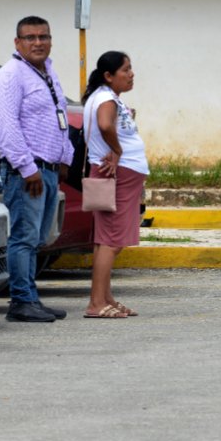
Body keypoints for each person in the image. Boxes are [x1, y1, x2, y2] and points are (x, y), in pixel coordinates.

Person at [0, 16, 75, 322]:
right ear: (17, 43)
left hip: (48, 169)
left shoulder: (46, 72)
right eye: (30, 37)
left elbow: (60, 116)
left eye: (43, 36)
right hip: (28, 172)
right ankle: (20, 302)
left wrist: (64, 158)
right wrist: (27, 168)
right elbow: (7, 127)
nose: (38, 42)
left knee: (37, 238)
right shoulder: (10, 77)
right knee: (23, 237)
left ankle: (31, 298)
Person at [80, 51, 149, 318]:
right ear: (109, 76)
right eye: (126, 70)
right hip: (118, 173)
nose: (131, 74)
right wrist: (118, 150)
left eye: (131, 69)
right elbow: (105, 125)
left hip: (120, 173)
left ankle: (105, 298)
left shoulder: (102, 97)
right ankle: (96, 303)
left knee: (105, 239)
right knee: (111, 241)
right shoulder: (106, 99)